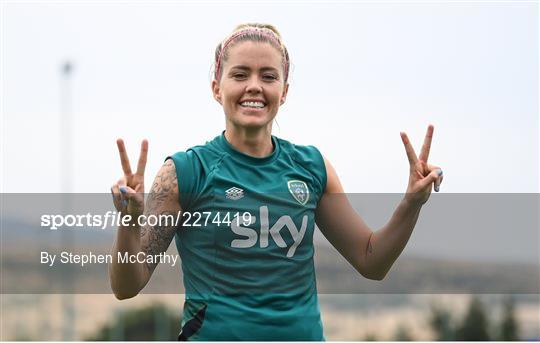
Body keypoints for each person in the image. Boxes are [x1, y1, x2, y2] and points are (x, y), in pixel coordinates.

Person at [109, 23, 443, 341]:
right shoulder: (185, 172)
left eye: (268, 76)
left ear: (283, 91)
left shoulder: (312, 167)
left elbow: (372, 260)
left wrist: (411, 202)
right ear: (216, 87)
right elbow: (127, 285)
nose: (254, 86)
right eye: (240, 74)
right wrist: (129, 218)